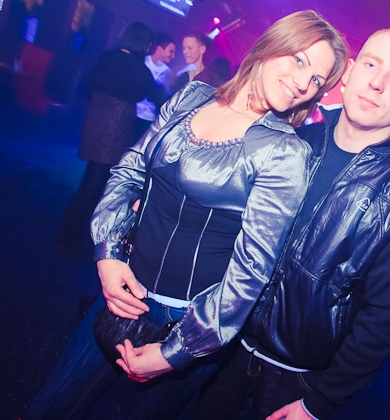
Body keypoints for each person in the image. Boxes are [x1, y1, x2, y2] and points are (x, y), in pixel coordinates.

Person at [29, 10, 348, 419]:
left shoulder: (285, 151)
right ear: (272, 45)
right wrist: (108, 254)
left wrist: (176, 351)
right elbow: (130, 170)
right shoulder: (193, 96)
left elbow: (252, 271)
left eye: (317, 79)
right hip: (120, 293)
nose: (304, 83)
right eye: (300, 60)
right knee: (49, 408)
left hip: (188, 325)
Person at [122, 27, 390, 420]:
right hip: (222, 344)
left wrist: (319, 403)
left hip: (295, 381)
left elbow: (383, 320)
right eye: (372, 65)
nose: (377, 83)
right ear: (350, 71)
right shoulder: (291, 141)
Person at [54, 21, 166, 257]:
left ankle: (71, 230)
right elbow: (159, 98)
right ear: (142, 43)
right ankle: (70, 235)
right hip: (115, 125)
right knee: (96, 184)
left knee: (90, 178)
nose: (149, 48)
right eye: (148, 44)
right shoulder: (137, 68)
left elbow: (86, 89)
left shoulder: (107, 58)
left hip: (94, 119)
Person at [135, 32, 177, 140]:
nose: (173, 56)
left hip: (150, 118)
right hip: (134, 113)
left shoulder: (167, 72)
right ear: (159, 49)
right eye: (171, 51)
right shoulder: (143, 61)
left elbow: (163, 96)